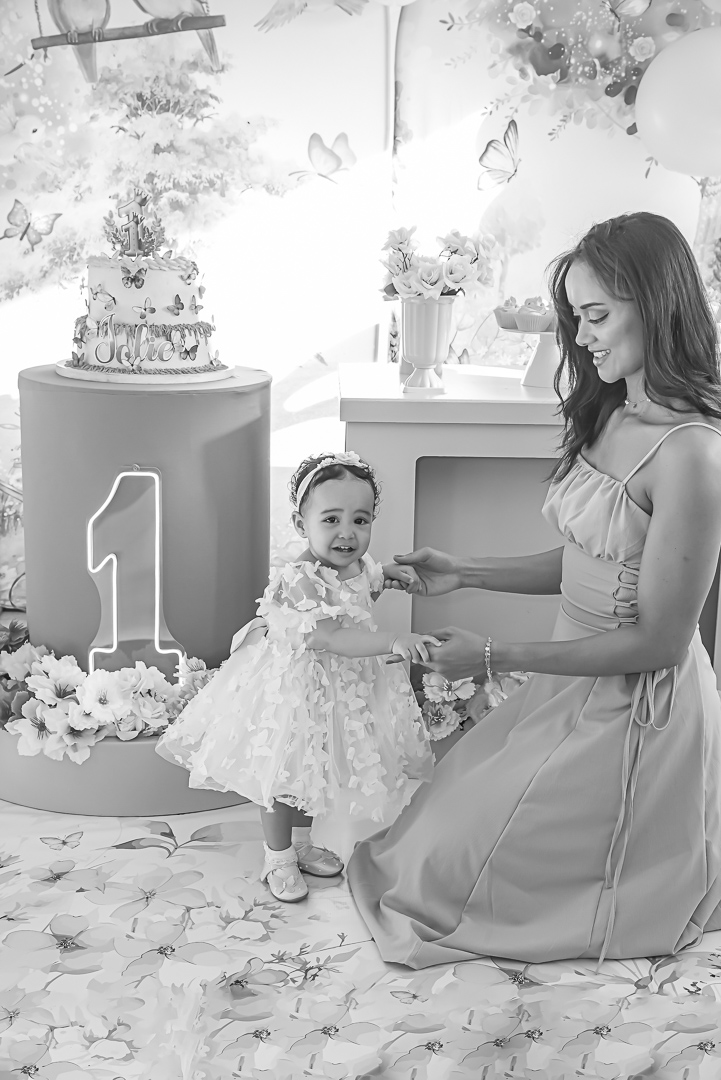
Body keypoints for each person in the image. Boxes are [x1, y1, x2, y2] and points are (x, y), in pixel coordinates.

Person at [347, 211, 721, 969]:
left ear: (656, 306)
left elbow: (657, 641)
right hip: (566, 682)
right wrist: (466, 570)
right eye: (574, 316)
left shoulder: (692, 456)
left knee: (446, 878)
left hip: (633, 713)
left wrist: (491, 655)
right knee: (421, 841)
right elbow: (588, 562)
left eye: (595, 316)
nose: (580, 337)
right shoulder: (615, 409)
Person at [156, 451, 435, 903]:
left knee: (324, 765)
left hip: (343, 685)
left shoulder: (358, 564)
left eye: (360, 520)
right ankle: (278, 855)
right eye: (331, 519)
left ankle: (304, 844)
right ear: (301, 524)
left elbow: (363, 585)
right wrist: (393, 641)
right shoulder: (300, 578)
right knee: (285, 770)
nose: (347, 533)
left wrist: (388, 575)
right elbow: (330, 636)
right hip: (297, 687)